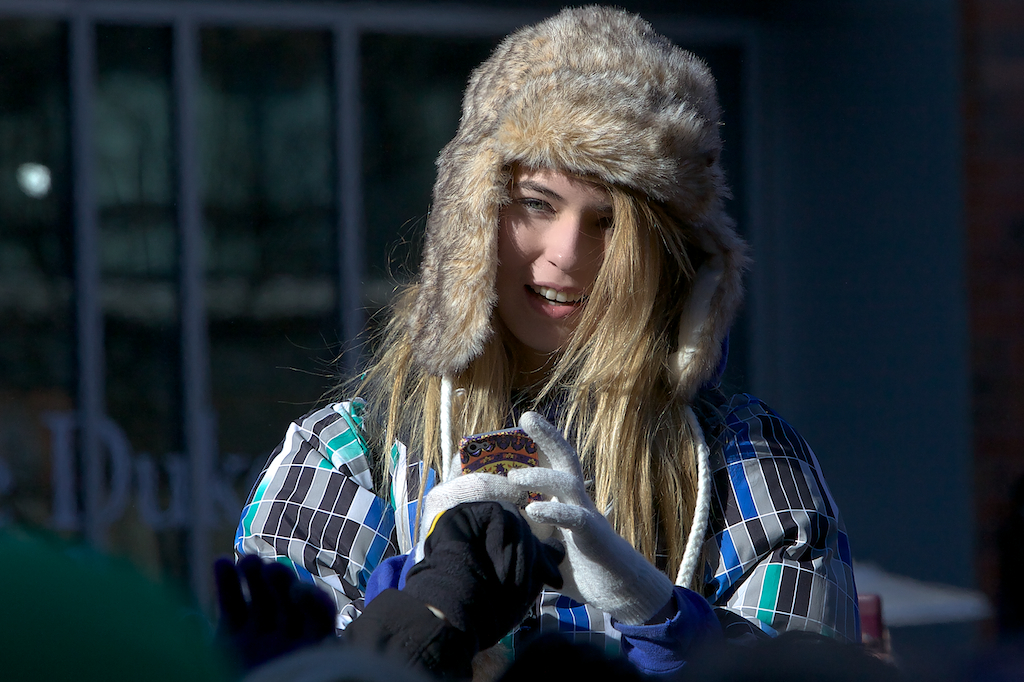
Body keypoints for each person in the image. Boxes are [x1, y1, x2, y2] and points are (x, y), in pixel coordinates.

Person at [234, 5, 859, 676]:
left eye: (609, 221)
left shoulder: (746, 462)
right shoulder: (343, 457)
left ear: (666, 255)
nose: (565, 254)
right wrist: (424, 606)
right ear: (471, 219)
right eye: (536, 202)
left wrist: (664, 624)